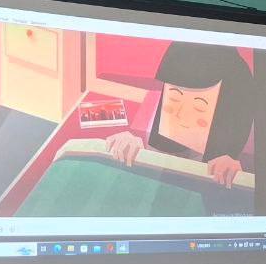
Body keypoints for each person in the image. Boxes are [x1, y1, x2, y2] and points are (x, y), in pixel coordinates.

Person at [103, 43, 255, 188]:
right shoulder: (153, 131)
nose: (180, 113)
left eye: (199, 106)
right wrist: (130, 150)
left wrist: (233, 174)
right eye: (174, 98)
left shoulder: (231, 162)